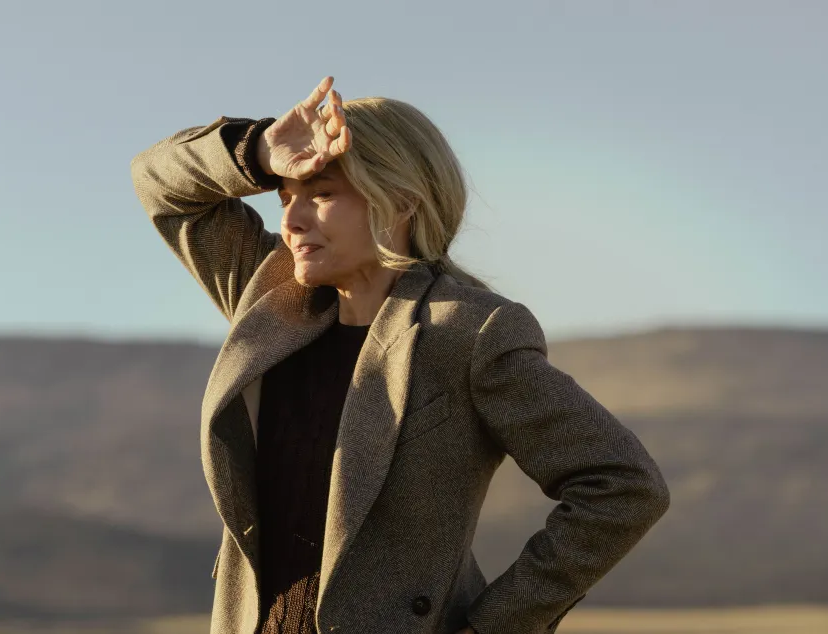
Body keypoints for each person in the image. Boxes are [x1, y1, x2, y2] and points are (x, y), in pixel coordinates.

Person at [130, 76, 670, 634]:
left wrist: (493, 626)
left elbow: (622, 485)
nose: (291, 222)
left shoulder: (469, 330)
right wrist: (262, 150)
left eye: (322, 194)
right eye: (287, 197)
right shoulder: (267, 294)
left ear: (401, 200)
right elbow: (157, 182)